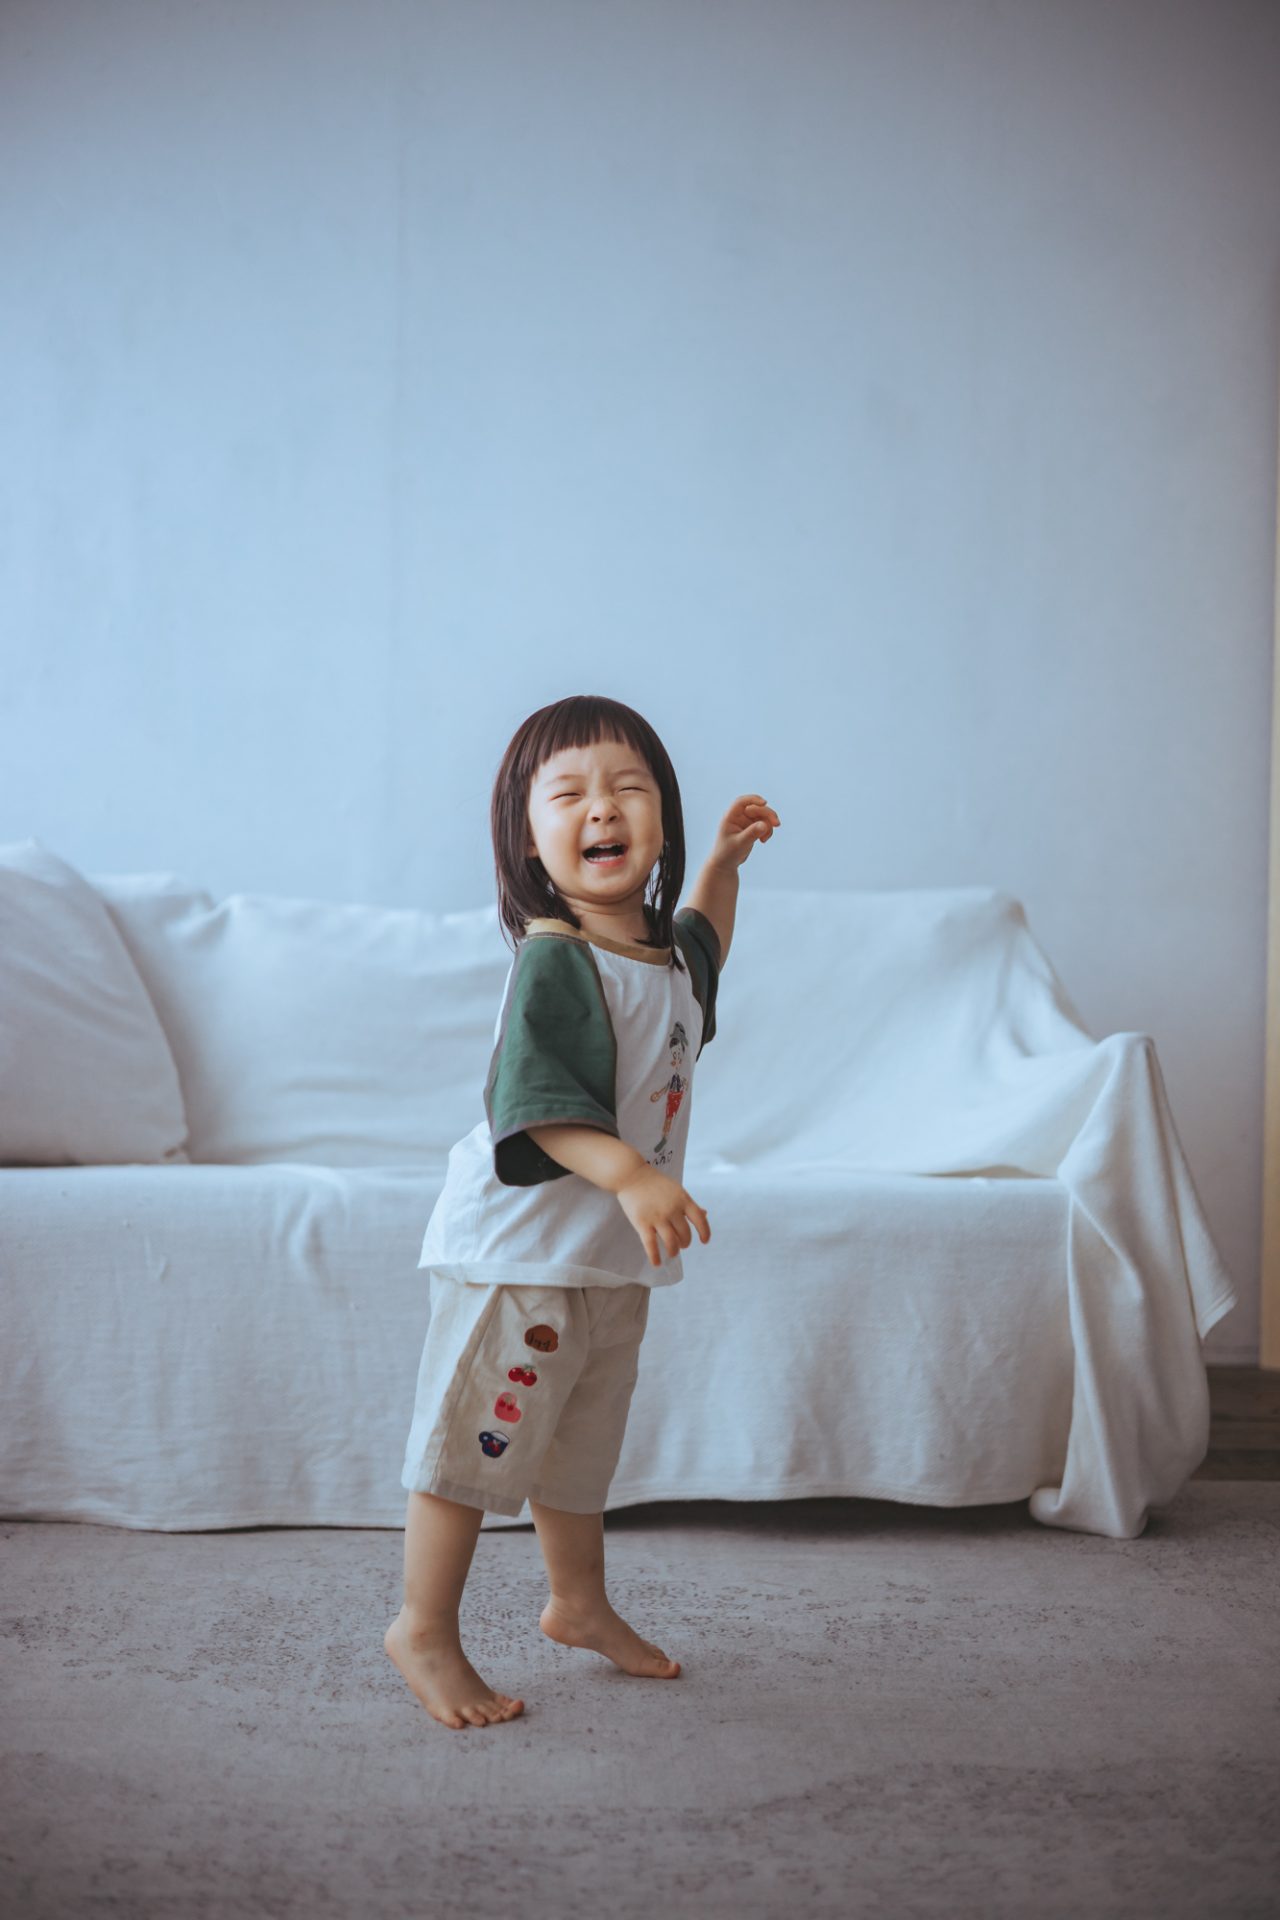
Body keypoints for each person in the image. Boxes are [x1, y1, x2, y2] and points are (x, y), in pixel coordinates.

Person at [384, 693, 780, 1729]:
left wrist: (723, 868)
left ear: (660, 821)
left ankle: (577, 1602)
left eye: (627, 788)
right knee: (475, 1445)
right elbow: (540, 1105)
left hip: (604, 1259)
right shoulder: (555, 956)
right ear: (528, 839)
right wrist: (635, 1176)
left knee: (578, 1447)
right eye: (568, 795)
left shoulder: (665, 954)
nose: (601, 808)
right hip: (519, 1256)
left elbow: (707, 942)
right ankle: (423, 1628)